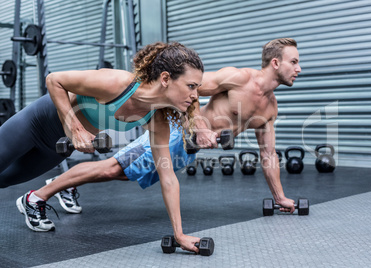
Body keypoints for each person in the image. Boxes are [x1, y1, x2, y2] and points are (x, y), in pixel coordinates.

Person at [17, 38, 301, 254]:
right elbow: (190, 87)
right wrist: (198, 126)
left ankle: (64, 184)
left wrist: (280, 198)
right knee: (112, 168)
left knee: (119, 172)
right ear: (275, 63)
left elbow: (268, 154)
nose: (298, 69)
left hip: (188, 150)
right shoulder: (239, 78)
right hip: (175, 132)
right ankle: (39, 195)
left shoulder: (270, 108)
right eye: (294, 62)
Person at [2, 41, 204, 228]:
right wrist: (76, 129)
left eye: (197, 88)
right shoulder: (118, 83)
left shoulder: (156, 120)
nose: (195, 96)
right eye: (191, 86)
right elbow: (54, 80)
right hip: (36, 123)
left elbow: (168, 178)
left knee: (4, 180)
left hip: (58, 147)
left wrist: (179, 234)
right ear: (166, 78)